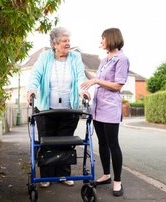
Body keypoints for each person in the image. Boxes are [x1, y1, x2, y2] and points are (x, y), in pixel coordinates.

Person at [26, 27, 90, 188]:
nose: (68, 43)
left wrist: (84, 91)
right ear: (55, 44)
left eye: (69, 40)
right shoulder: (45, 57)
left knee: (65, 142)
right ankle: (46, 176)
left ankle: (63, 174)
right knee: (47, 142)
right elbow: (36, 75)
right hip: (46, 109)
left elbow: (80, 77)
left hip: (69, 109)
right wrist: (32, 89)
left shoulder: (75, 57)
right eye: (64, 41)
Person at [81, 28, 130, 197]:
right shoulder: (104, 59)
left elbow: (117, 85)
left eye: (102, 39)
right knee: (102, 143)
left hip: (110, 108)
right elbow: (98, 80)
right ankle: (106, 175)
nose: (100, 42)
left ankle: (117, 181)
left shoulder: (122, 59)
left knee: (112, 144)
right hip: (98, 107)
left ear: (111, 39)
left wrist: (95, 80)